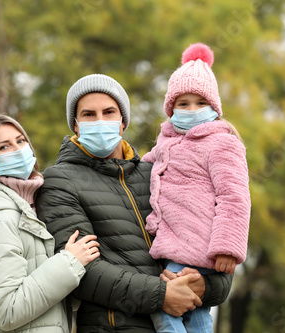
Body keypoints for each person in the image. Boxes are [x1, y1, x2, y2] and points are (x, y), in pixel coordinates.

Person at [35, 74, 233, 333]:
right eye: (89, 115)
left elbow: (207, 244)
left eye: (109, 112)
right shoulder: (59, 181)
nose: (100, 121)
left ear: (122, 122)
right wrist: (163, 295)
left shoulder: (155, 173)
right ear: (75, 124)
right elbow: (81, 272)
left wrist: (205, 286)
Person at [0, 114, 100, 333]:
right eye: (4, 147)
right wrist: (69, 263)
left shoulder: (30, 210)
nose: (18, 149)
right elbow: (8, 311)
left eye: (21, 140)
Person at [143, 43, 251, 333]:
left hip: (198, 246)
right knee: (197, 314)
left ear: (214, 107)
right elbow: (146, 165)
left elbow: (234, 197)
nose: (192, 110)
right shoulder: (165, 142)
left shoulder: (221, 143)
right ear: (171, 108)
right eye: (183, 103)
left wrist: (228, 247)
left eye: (200, 103)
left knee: (164, 311)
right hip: (172, 244)